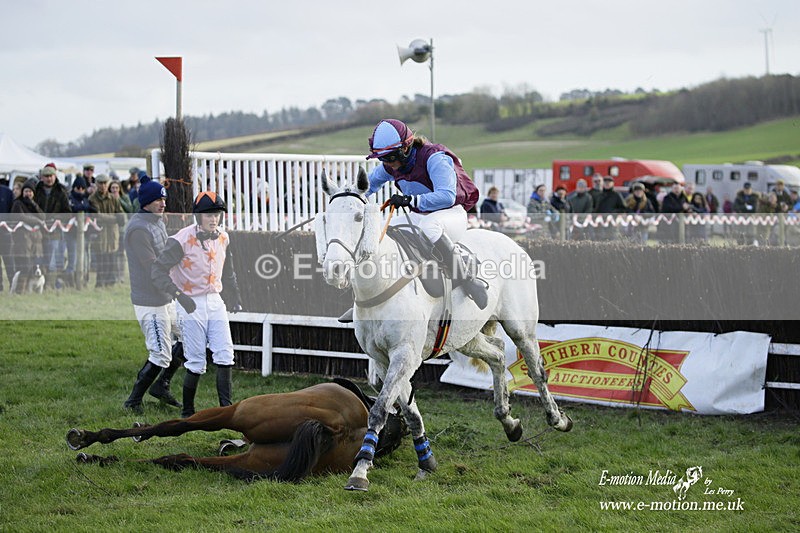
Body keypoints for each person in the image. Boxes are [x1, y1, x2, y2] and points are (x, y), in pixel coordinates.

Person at [361, 118, 486, 310]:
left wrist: (411, 200)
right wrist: (349, 196)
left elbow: (447, 196)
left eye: (390, 157)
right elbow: (366, 186)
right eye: (382, 159)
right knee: (385, 230)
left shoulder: (434, 157)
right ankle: (373, 294)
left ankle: (468, 279)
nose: (388, 163)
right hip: (421, 215)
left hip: (450, 214)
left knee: (429, 227)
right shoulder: (391, 163)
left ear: (405, 148)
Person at [152, 191, 243, 418]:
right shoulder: (180, 240)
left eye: (217, 215)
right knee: (196, 359)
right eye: (208, 215)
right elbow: (157, 271)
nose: (213, 219)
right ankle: (188, 412)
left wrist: (234, 294)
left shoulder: (223, 237)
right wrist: (177, 294)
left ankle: (226, 410)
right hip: (189, 301)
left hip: (215, 300)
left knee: (225, 354)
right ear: (198, 217)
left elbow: (228, 268)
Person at [122, 180, 184, 413]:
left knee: (188, 338)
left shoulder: (157, 221)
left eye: (164, 199)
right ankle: (133, 401)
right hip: (150, 300)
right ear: (146, 202)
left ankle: (161, 385)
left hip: (165, 296)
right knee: (159, 353)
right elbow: (152, 267)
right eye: (158, 199)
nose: (163, 203)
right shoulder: (138, 230)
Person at [88, 174, 124, 287]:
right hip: (100, 233)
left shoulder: (114, 198)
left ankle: (110, 282)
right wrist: (114, 218)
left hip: (112, 233)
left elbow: (122, 217)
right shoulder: (92, 199)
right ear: (97, 184)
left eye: (104, 183)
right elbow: (97, 216)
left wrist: (112, 218)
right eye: (100, 183)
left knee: (112, 258)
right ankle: (100, 282)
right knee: (100, 259)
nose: (102, 186)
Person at [64, 176, 95, 288]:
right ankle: (70, 283)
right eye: (78, 187)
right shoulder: (69, 198)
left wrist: (85, 206)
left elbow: (91, 209)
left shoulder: (86, 199)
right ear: (74, 188)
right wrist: (84, 206)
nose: (80, 189)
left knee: (86, 260)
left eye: (83, 188)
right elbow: (74, 208)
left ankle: (83, 282)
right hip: (71, 234)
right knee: (72, 259)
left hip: (85, 234)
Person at [10, 179, 45, 282]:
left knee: (34, 264)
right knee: (24, 264)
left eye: (30, 191)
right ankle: (20, 289)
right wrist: (36, 221)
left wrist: (33, 205)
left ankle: (32, 287)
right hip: (22, 238)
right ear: (23, 192)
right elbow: (21, 217)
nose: (28, 194)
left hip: (36, 240)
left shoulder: (35, 204)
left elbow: (43, 217)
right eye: (26, 191)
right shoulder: (17, 203)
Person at [0, 179, 15, 291]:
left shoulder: (7, 192)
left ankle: (13, 285)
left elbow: (12, 212)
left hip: (5, 233)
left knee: (8, 260)